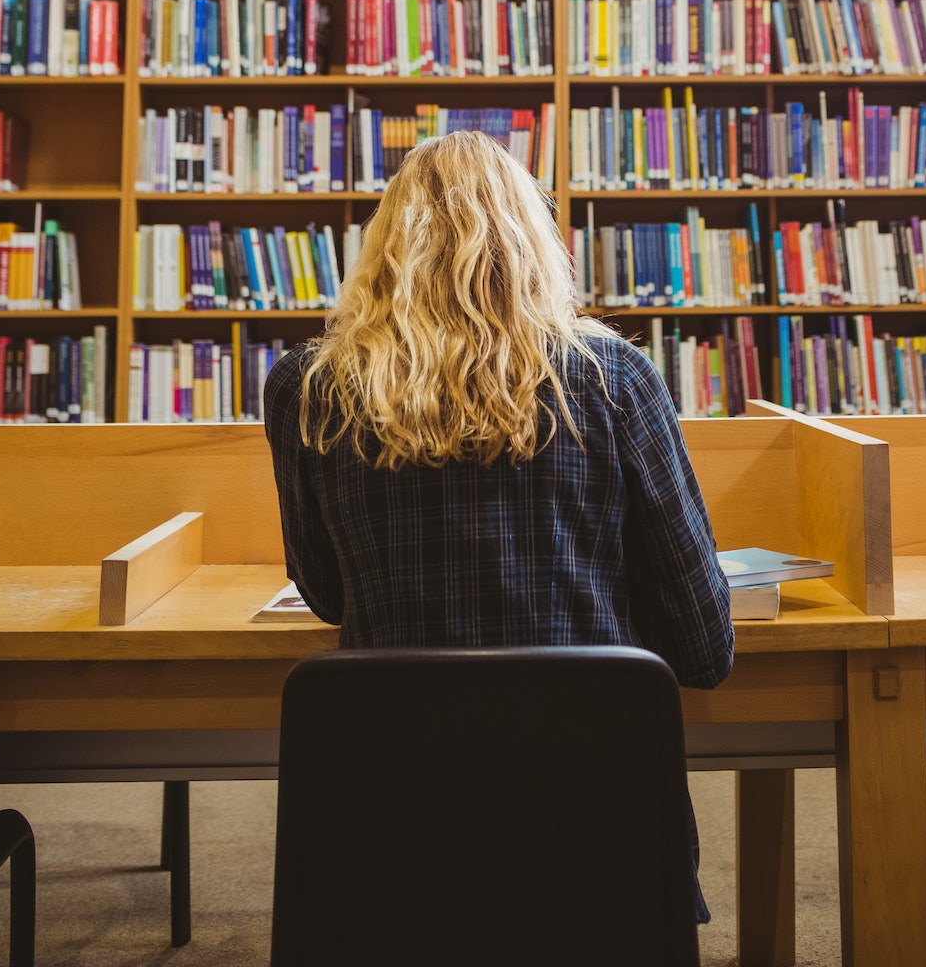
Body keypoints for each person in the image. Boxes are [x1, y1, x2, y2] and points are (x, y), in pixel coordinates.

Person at [263, 128, 733, 920]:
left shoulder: (306, 385)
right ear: (533, 241)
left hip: (390, 822)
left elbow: (328, 594)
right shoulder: (614, 376)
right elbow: (703, 646)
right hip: (597, 814)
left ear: (384, 246)